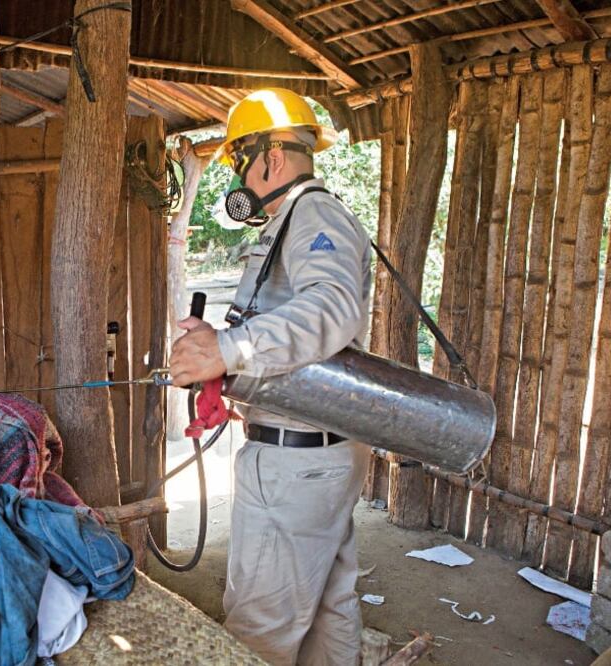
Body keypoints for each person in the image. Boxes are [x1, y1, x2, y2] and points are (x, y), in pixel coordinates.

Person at [169, 88, 373, 665]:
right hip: (317, 447)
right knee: (330, 610)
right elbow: (298, 328)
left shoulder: (313, 212)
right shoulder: (294, 220)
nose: (238, 175)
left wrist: (228, 349)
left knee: (258, 628)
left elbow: (333, 308)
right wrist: (233, 365)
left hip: (296, 461)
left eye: (238, 160)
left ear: (271, 158)